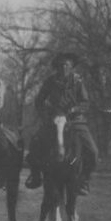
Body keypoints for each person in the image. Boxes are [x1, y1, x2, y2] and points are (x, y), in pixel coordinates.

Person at [26, 52, 98, 195]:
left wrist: (74, 109)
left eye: (66, 65)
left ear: (72, 67)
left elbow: (85, 102)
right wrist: (46, 114)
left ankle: (84, 179)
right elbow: (39, 101)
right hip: (54, 119)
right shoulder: (50, 81)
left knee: (93, 151)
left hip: (75, 121)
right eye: (60, 65)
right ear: (56, 67)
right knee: (35, 143)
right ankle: (35, 175)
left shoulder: (78, 81)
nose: (63, 68)